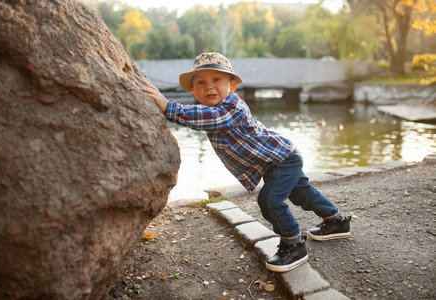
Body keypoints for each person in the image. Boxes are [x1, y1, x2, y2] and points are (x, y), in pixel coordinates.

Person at [143, 52, 351, 273]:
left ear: (232, 86)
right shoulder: (214, 110)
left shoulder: (232, 109)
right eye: (201, 82)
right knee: (301, 193)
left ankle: (294, 244)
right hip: (278, 159)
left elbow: (207, 118)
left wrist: (169, 107)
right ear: (194, 91)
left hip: (283, 159)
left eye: (216, 80)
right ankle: (336, 220)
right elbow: (203, 115)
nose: (209, 87)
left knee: (270, 200)